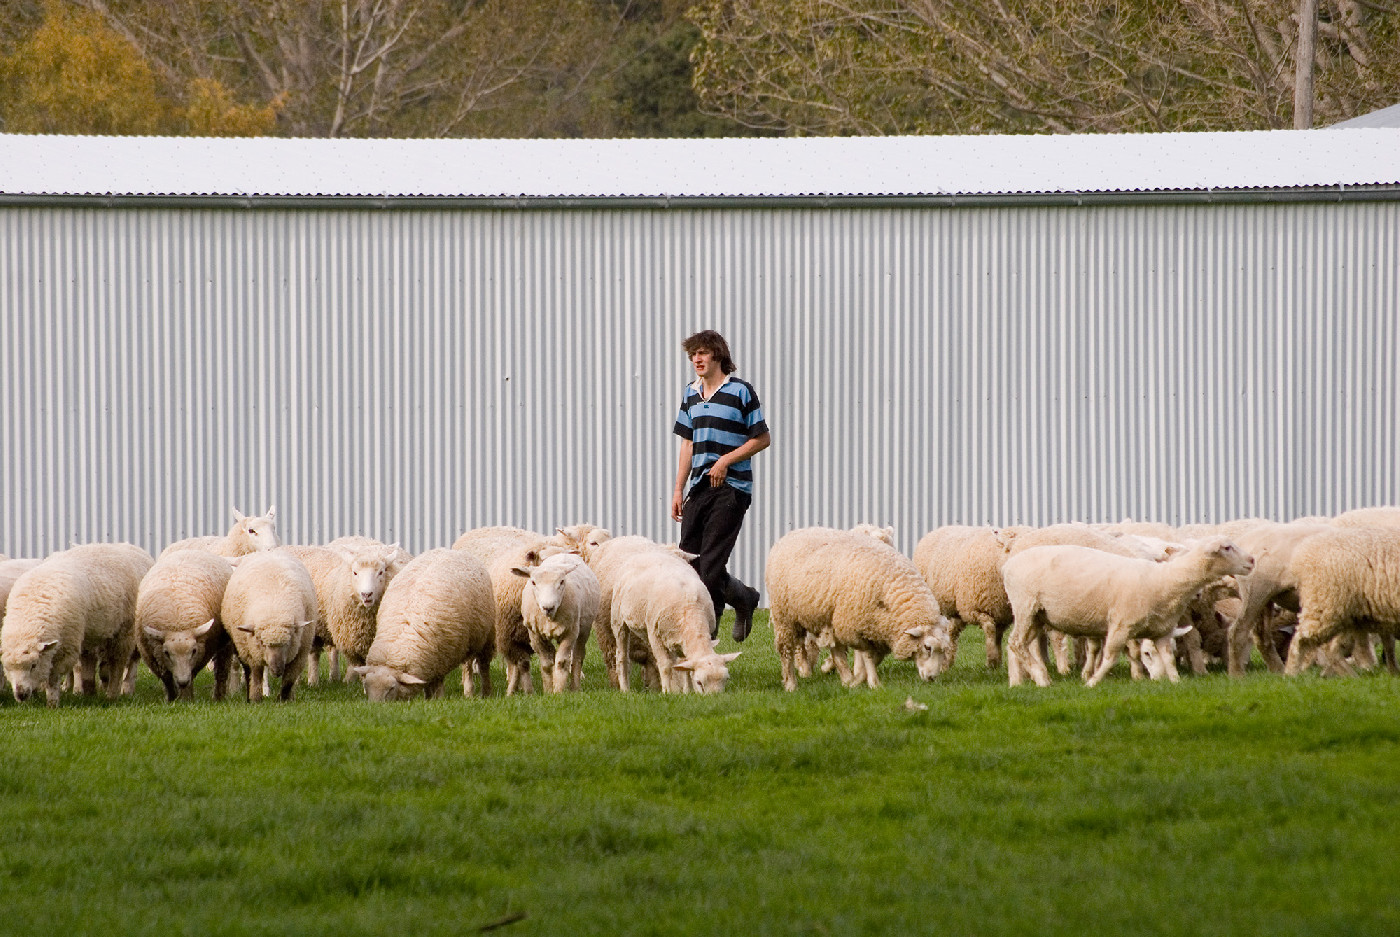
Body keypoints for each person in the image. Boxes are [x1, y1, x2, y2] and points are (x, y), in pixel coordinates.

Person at [670, 330, 771, 642]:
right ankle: (744, 598)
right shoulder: (690, 394)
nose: (697, 360)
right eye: (693, 355)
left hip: (732, 488)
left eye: (702, 353)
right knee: (689, 562)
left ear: (717, 356)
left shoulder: (740, 392)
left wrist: (726, 461)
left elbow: (762, 438)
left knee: (710, 568)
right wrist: (678, 489)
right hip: (698, 488)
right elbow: (687, 444)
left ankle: (707, 638)